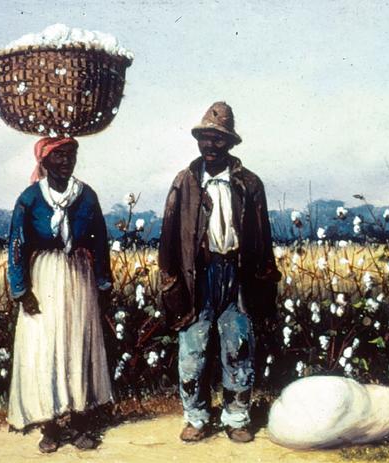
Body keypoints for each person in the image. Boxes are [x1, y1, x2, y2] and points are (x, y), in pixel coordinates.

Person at [159, 101, 281, 443]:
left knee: (238, 345)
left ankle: (237, 416)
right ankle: (196, 417)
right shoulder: (184, 183)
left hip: (237, 275)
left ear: (229, 144)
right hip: (197, 276)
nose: (210, 146)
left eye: (218, 140)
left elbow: (263, 236)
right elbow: (168, 239)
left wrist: (264, 283)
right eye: (205, 139)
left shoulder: (249, 184)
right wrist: (170, 283)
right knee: (193, 350)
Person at [6, 137, 113, 453]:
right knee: (44, 349)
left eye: (71, 155)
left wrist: (103, 283)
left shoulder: (86, 197)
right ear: (45, 160)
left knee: (76, 345)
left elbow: (100, 244)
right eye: (59, 156)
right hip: (43, 278)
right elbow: (16, 246)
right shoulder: (30, 199)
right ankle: (50, 425)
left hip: (77, 276)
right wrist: (22, 290)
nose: (66, 162)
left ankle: (79, 422)